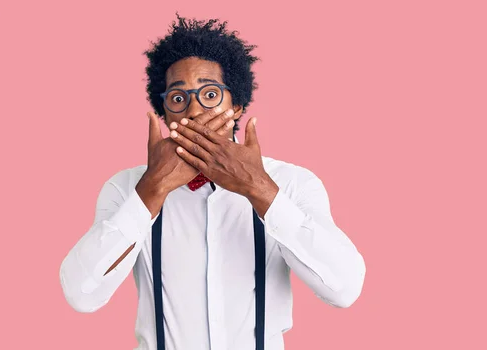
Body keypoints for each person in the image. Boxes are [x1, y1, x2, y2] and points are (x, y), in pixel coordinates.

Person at [59, 16, 366, 350]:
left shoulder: (292, 184)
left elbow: (344, 289)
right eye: (178, 98)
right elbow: (80, 295)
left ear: (236, 106)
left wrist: (258, 188)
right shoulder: (126, 188)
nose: (193, 111)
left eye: (209, 94)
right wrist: (151, 191)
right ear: (165, 114)